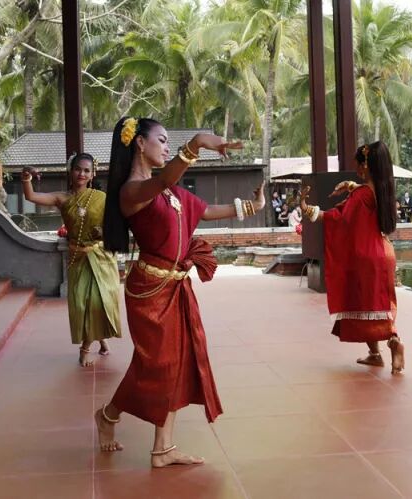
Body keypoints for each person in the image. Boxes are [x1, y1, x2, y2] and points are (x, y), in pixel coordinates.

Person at [96, 117, 265, 466]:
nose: (167, 147)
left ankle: (162, 447)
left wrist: (253, 207)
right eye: (161, 140)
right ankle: (109, 415)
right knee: (156, 365)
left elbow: (206, 211)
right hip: (150, 289)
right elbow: (164, 179)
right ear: (139, 143)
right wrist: (198, 141)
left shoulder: (170, 192)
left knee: (175, 363)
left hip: (176, 286)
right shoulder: (132, 191)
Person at [300, 141, 405, 374]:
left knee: (365, 303)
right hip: (384, 252)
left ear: (366, 166)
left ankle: (393, 342)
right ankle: (377, 352)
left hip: (366, 257)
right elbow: (363, 196)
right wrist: (351, 186)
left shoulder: (361, 195)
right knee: (377, 304)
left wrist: (307, 208)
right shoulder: (383, 190)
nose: (356, 169)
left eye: (358, 165)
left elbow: (339, 218)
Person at [22, 153, 121, 367]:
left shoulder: (102, 198)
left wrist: (103, 232)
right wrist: (26, 177)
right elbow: (31, 197)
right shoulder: (62, 198)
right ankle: (101, 339)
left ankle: (85, 348)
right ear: (70, 170)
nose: (81, 174)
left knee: (98, 302)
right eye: (78, 169)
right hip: (78, 257)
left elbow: (115, 223)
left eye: (86, 170)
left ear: (93, 174)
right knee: (82, 304)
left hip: (101, 258)